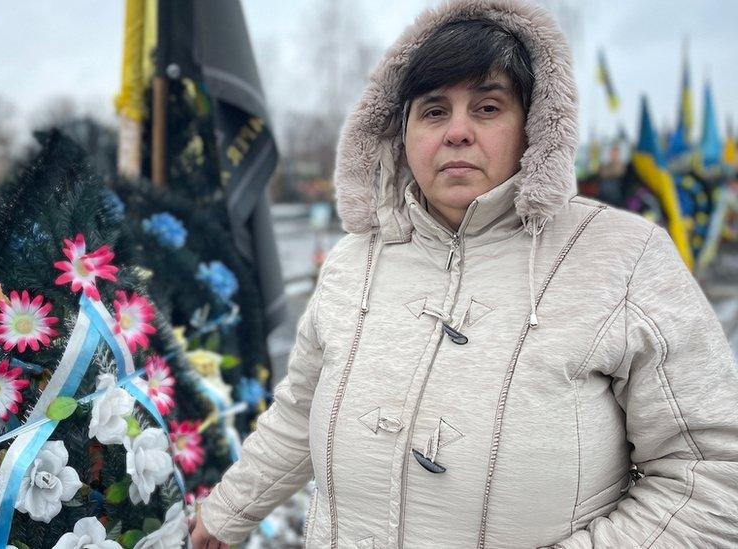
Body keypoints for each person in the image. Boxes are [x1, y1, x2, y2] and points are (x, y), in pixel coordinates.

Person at [190, 0, 738, 547]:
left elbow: (713, 474)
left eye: (488, 107)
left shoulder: (622, 258)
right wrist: (226, 513)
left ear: (535, 126)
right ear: (399, 133)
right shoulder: (353, 264)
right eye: (433, 111)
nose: (457, 132)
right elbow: (300, 409)